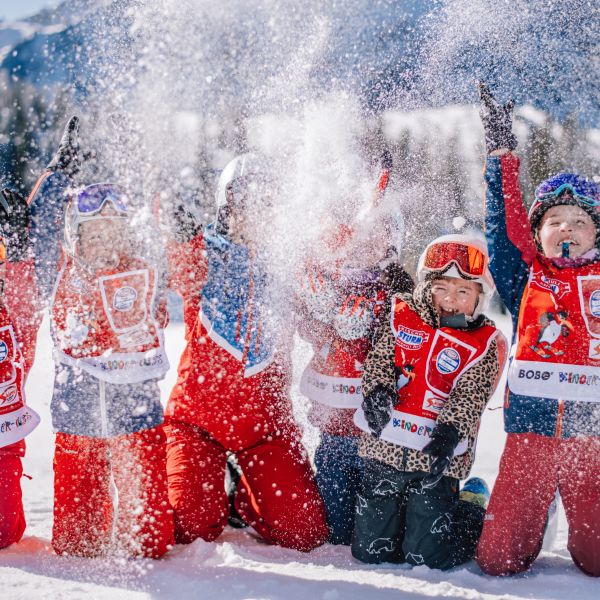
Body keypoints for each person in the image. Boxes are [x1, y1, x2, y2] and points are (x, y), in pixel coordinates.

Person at [164, 152, 328, 551]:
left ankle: (245, 495)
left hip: (265, 426)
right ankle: (204, 485)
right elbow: (179, 264)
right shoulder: (204, 254)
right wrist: (177, 235)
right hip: (197, 419)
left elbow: (322, 318)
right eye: (245, 203)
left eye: (268, 204)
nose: (257, 214)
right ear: (227, 207)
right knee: (190, 527)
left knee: (303, 533)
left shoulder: (291, 264)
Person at [27, 119, 174, 558]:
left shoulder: (145, 272)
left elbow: (159, 223)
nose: (105, 240)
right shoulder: (61, 273)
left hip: (137, 416)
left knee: (149, 544)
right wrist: (56, 177)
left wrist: (138, 166)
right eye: (95, 232)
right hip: (79, 420)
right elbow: (40, 227)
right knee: (77, 545)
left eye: (115, 230)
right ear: (78, 236)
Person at [476, 83, 600, 577]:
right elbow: (502, 226)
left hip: (591, 439)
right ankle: (478, 504)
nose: (566, 230)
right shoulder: (525, 275)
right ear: (538, 231)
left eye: (579, 222)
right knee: (499, 561)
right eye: (554, 221)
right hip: (530, 431)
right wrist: (502, 156)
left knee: (596, 563)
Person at [351, 233, 504, 570]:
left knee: (427, 557)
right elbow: (380, 360)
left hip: (436, 457)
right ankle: (404, 525)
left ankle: (470, 507)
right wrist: (378, 391)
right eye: (441, 288)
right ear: (426, 286)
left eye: (463, 291)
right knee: (370, 552)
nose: (450, 299)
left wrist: (450, 432)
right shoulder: (403, 317)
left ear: (480, 297)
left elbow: (471, 394)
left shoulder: (483, 343)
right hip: (386, 450)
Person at [297, 191, 413, 545]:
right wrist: (312, 301)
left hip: (381, 440)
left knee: (380, 536)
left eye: (377, 232)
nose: (363, 239)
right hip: (333, 434)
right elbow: (305, 331)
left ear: (391, 243)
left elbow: (411, 348)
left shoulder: (396, 292)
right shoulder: (324, 284)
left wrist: (402, 302)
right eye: (356, 232)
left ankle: (464, 499)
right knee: (334, 531)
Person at [0, 189, 41, 549]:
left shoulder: (11, 323)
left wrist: (16, 253)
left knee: (3, 531)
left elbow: (25, 308)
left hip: (2, 439)